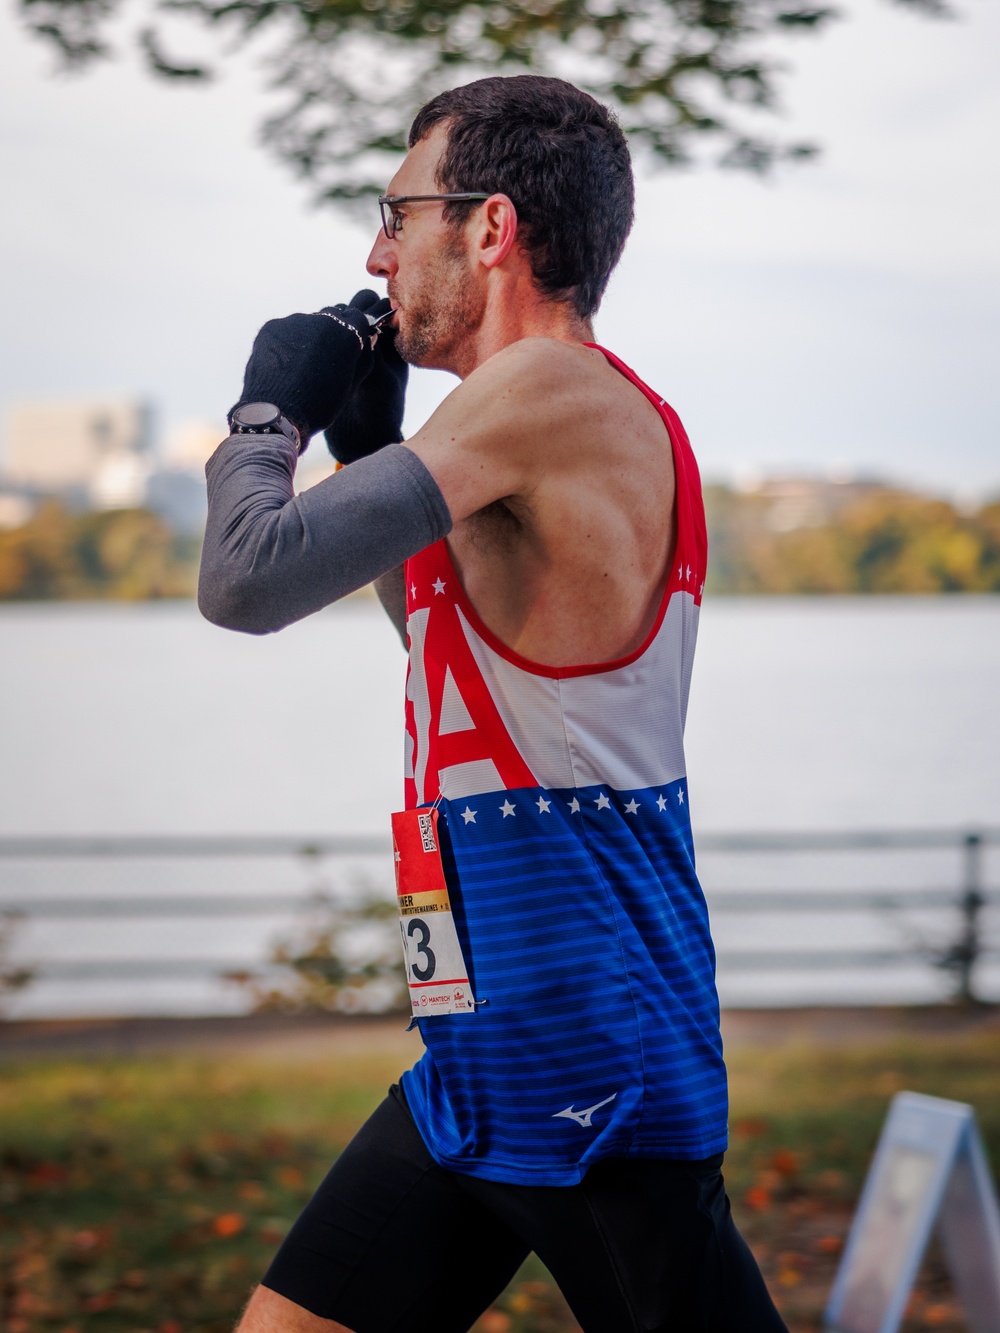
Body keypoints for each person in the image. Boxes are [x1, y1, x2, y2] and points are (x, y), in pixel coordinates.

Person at [199, 74, 787, 1333]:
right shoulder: (535, 422)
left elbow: (245, 582)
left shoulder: (548, 395)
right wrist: (365, 456)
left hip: (591, 1052)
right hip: (483, 1051)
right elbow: (448, 645)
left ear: (490, 227)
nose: (376, 251)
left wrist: (268, 415)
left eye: (396, 212)